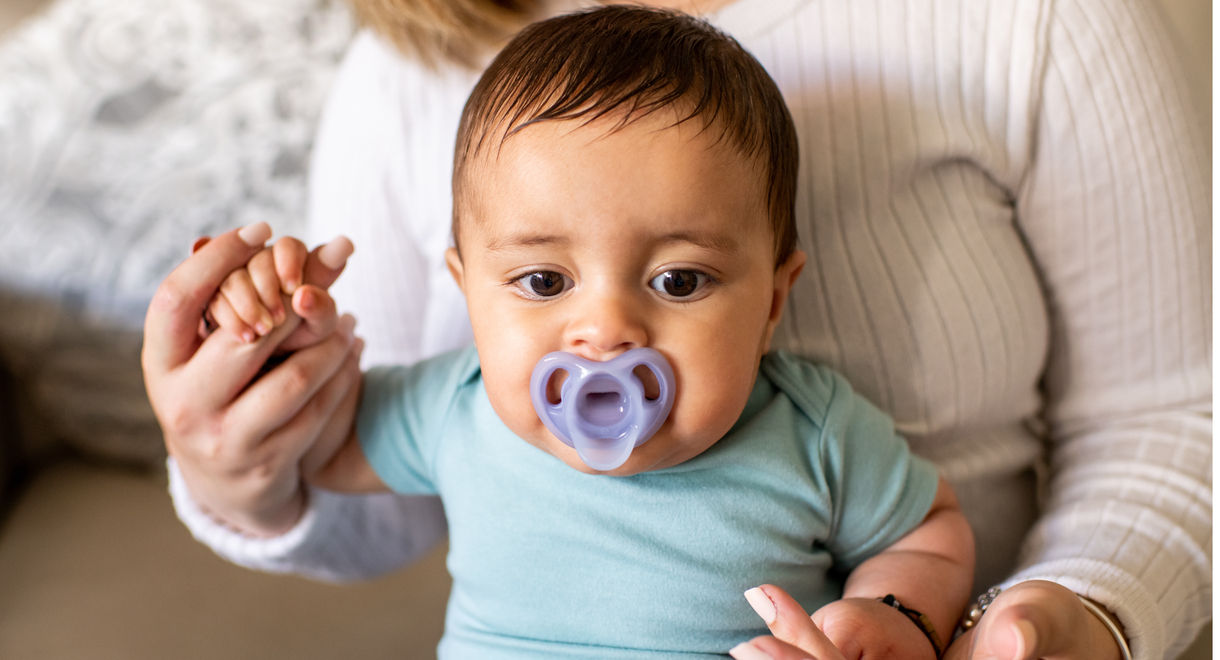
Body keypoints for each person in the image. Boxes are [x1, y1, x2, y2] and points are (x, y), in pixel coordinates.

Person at [141, 0, 1211, 658]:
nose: (604, 330)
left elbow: (924, 529)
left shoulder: (810, 424)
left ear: (776, 296)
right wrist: (263, 342)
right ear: (464, 286)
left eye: (682, 279)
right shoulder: (452, 404)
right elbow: (317, 448)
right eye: (542, 278)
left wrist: (896, 619)